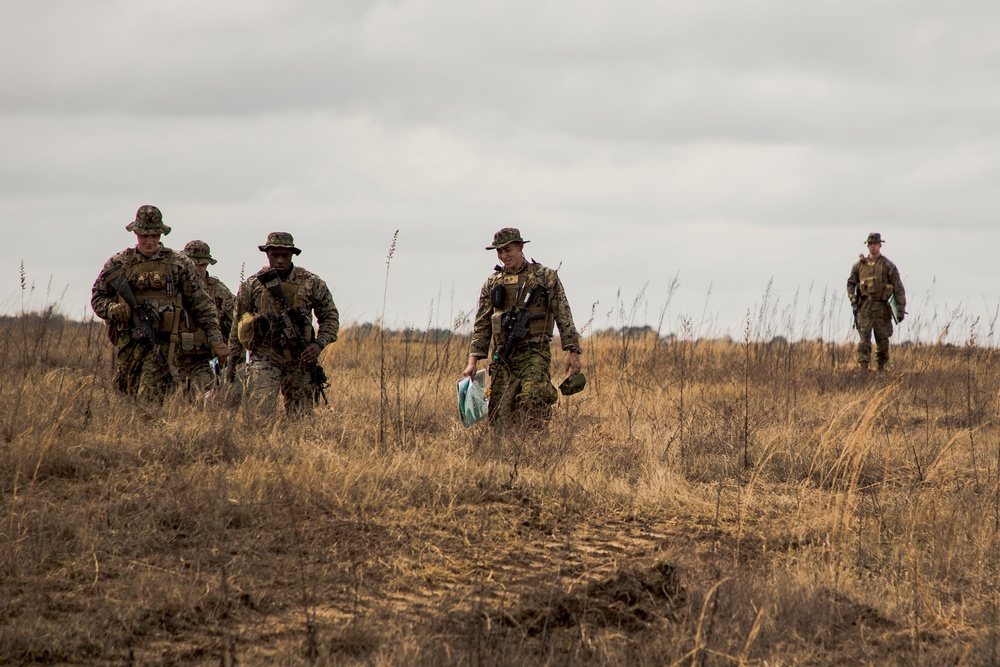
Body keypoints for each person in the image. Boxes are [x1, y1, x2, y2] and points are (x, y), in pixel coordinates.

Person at [91, 205, 228, 402]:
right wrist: (112, 309)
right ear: (136, 233)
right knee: (125, 393)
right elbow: (97, 297)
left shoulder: (178, 263)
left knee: (149, 395)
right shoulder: (118, 263)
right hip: (128, 343)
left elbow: (203, 304)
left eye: (154, 235)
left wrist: (216, 340)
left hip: (165, 343)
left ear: (161, 234)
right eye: (144, 236)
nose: (149, 241)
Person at [462, 228, 583, 426]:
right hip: (503, 356)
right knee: (498, 415)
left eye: (507, 250)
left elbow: (563, 315)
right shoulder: (492, 283)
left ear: (520, 247)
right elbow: (482, 325)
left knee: (532, 401)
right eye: (499, 252)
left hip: (534, 353)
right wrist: (473, 361)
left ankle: (536, 450)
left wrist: (573, 351)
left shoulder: (545, 277)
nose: (503, 256)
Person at [226, 232, 339, 416]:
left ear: (292, 255)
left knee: (302, 418)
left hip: (300, 357)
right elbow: (237, 324)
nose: (279, 260)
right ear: (267, 255)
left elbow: (330, 318)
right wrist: (233, 363)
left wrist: (318, 345)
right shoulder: (252, 285)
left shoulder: (312, 283)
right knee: (260, 414)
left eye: (284, 256)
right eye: (275, 255)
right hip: (265, 355)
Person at [174, 240, 237, 394]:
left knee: (203, 398)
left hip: (203, 360)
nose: (198, 268)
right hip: (174, 358)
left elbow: (234, 320)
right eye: (194, 264)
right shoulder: (173, 287)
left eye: (202, 265)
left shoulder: (218, 290)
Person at [847, 232, 906, 372]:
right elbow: (850, 284)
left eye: (875, 244)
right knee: (864, 341)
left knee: (883, 340)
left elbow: (898, 288)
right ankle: (863, 370)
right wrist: (853, 298)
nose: (873, 247)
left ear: (880, 245)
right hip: (865, 307)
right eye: (870, 244)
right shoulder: (859, 266)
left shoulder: (888, 266)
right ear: (868, 246)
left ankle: (881, 369)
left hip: (882, 307)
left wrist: (900, 309)